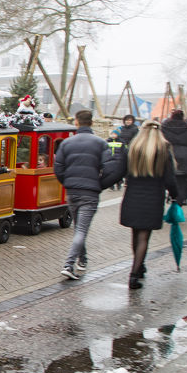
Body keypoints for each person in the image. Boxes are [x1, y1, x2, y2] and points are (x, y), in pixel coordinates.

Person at [53, 109, 126, 280]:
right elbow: (110, 169)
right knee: (81, 230)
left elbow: (58, 167)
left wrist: (67, 182)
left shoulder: (67, 144)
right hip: (90, 193)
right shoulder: (100, 143)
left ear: (76, 123)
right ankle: (68, 264)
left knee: (79, 228)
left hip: (72, 192)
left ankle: (83, 260)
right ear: (92, 123)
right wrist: (99, 185)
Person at [119, 122, 181, 289]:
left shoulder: (133, 149)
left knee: (135, 234)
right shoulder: (162, 151)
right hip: (153, 198)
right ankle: (134, 274)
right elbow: (170, 180)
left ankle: (139, 267)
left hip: (132, 196)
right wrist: (175, 196)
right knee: (144, 237)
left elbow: (120, 171)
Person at [160, 109, 187, 207]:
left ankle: (170, 197)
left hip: (168, 155)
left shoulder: (164, 128)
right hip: (185, 157)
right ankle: (178, 203)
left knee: (166, 179)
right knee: (183, 183)